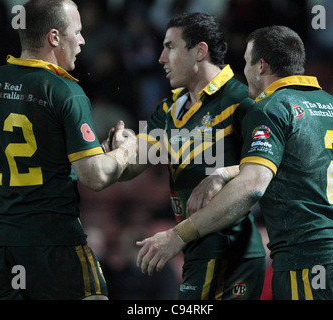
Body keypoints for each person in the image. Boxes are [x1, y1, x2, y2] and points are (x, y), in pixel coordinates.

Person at [136, 25, 333, 300]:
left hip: (307, 260)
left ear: (261, 66)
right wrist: (228, 173)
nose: (245, 72)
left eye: (246, 63)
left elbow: (253, 185)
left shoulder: (270, 107)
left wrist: (178, 236)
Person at [0, 0, 136, 300]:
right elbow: (96, 177)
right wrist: (125, 152)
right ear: (54, 37)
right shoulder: (64, 91)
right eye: (78, 31)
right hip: (54, 242)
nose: (83, 40)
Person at [111, 12, 266, 300]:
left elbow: (262, 173)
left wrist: (222, 174)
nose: (160, 58)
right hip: (197, 247)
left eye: (170, 47)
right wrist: (120, 150)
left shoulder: (242, 102)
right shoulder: (168, 109)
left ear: (200, 51)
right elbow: (133, 166)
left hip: (231, 251)